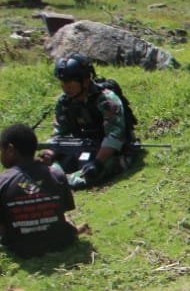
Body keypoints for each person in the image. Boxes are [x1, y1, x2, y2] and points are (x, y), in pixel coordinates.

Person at [49, 53, 134, 189]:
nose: (66, 87)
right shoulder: (64, 102)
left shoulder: (106, 100)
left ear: (85, 81)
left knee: (90, 175)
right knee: (48, 170)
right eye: (63, 83)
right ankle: (58, 179)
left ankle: (65, 180)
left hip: (109, 151)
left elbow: (115, 135)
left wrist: (98, 163)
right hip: (81, 148)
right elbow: (59, 133)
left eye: (70, 82)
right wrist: (51, 153)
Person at [0, 123, 78, 258]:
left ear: (11, 150)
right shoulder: (56, 174)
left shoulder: (3, 182)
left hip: (22, 249)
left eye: (1, 150)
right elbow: (63, 210)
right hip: (62, 242)